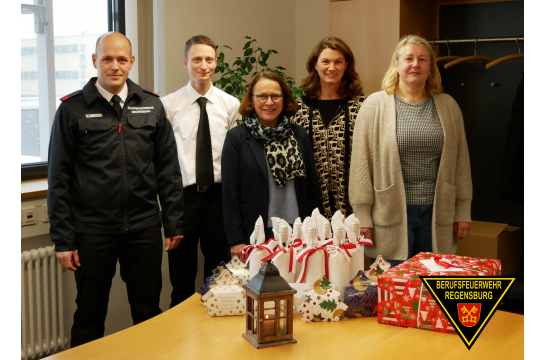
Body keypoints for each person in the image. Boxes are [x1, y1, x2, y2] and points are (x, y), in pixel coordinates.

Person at [47, 32, 185, 347]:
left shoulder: (150, 104)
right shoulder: (72, 109)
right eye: (107, 59)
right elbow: (59, 178)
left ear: (131, 62)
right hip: (93, 230)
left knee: (148, 310)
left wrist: (174, 222)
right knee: (90, 313)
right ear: (95, 61)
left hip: (143, 226)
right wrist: (63, 239)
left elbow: (168, 169)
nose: (114, 66)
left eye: (122, 59)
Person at [349, 35, 472, 266]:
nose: (415, 64)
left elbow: (461, 163)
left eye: (422, 59)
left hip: (437, 214)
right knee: (394, 290)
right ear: (396, 65)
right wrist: (362, 217)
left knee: (432, 286)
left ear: (430, 68)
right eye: (409, 58)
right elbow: (360, 167)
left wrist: (463, 210)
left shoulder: (448, 106)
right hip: (390, 214)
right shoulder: (374, 106)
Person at [161, 35, 240, 307]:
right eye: (197, 59)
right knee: (181, 278)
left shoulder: (231, 105)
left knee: (218, 276)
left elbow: (234, 157)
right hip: (183, 200)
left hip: (219, 199)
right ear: (186, 62)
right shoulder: (168, 105)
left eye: (209, 59)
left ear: (216, 63)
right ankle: (180, 339)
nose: (203, 65)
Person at [222, 71, 321, 257]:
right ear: (252, 100)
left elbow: (312, 188)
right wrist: (236, 240)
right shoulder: (237, 137)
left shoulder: (299, 134)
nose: (269, 102)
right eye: (262, 96)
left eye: (275, 96)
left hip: (298, 231)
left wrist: (314, 228)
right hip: (256, 233)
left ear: (284, 100)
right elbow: (229, 195)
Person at [291, 36, 366, 220]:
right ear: (315, 65)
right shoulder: (298, 109)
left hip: (354, 207)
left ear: (346, 65)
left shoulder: (363, 107)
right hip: (311, 207)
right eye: (325, 61)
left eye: (338, 62)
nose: (331, 68)